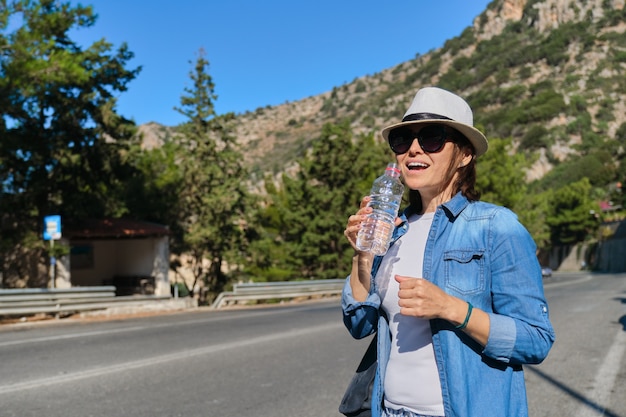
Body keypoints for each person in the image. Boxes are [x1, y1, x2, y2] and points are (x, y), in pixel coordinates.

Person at [342, 86, 555, 417]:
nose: (413, 150)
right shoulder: (392, 230)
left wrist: (452, 308)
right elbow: (360, 324)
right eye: (402, 141)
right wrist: (362, 255)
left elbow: (536, 339)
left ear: (465, 154)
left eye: (431, 137)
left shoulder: (496, 226)